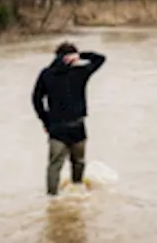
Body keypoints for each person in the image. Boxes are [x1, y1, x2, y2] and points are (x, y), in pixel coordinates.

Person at [32, 42, 106, 196]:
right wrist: (81, 55)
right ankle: (77, 193)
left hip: (56, 128)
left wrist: (45, 121)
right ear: (71, 58)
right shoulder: (80, 72)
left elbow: (36, 99)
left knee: (54, 166)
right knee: (78, 163)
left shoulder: (46, 74)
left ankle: (51, 198)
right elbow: (100, 59)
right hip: (77, 127)